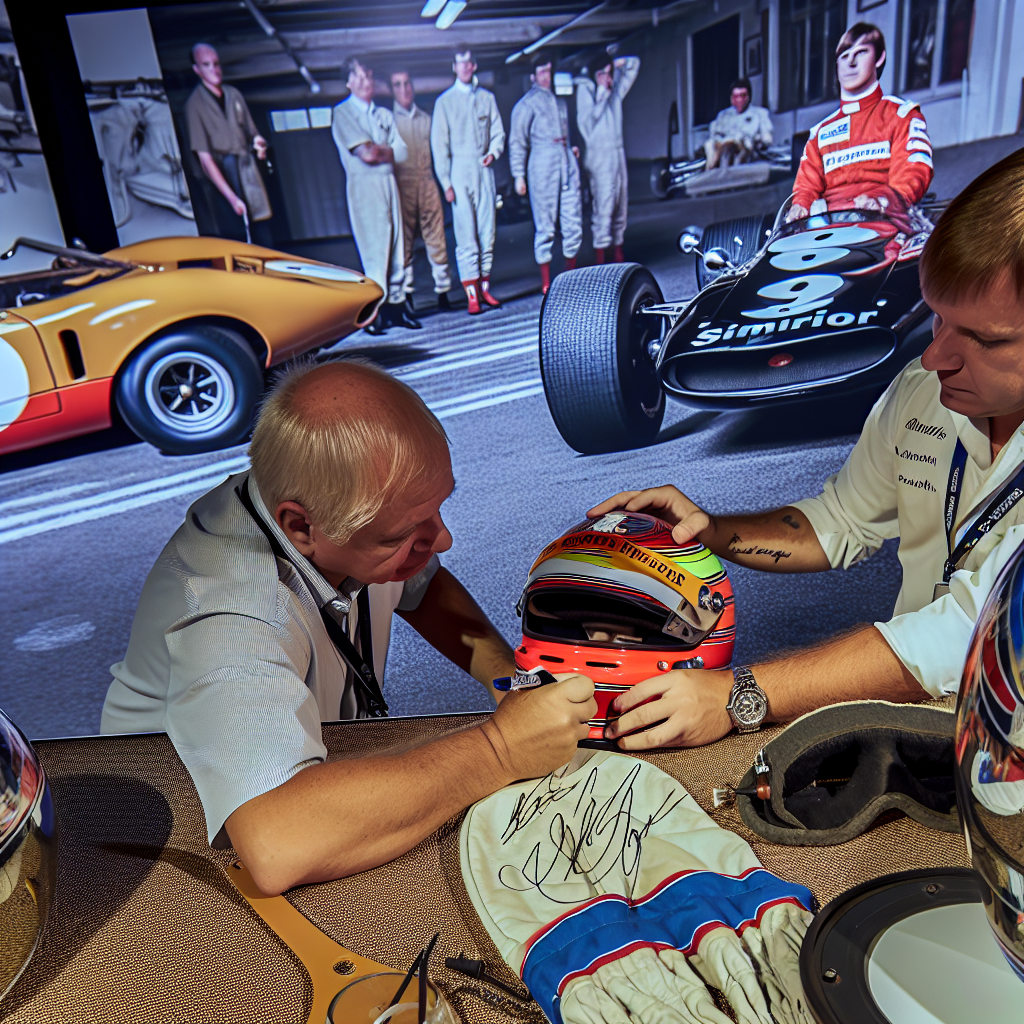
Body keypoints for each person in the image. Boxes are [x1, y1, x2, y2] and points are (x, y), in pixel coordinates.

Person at [101, 359, 597, 895]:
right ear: (300, 526)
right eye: (403, 534)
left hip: (310, 775)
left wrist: (507, 680)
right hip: (169, 848)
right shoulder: (232, 613)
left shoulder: (329, 498)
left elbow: (422, 587)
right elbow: (279, 843)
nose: (443, 540)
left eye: (438, 509)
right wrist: (501, 748)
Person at [589, 149, 1024, 752]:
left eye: (982, 339)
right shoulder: (922, 393)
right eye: (938, 318)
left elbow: (970, 632)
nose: (934, 356)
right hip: (921, 730)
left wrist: (739, 693)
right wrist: (713, 530)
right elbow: (841, 520)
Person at [789, 22, 932, 228]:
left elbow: (912, 173)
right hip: (826, 229)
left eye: (861, 53)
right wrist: (800, 205)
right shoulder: (820, 132)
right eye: (844, 56)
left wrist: (883, 201)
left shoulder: (901, 115)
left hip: (884, 222)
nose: (851, 63)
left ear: (879, 58)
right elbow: (806, 187)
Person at [332, 58, 420, 335]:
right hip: (365, 187)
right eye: (359, 77)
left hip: (389, 183)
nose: (366, 82)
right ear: (348, 82)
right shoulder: (343, 113)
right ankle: (375, 313)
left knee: (396, 246)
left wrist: (379, 150)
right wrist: (384, 150)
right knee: (375, 251)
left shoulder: (383, 114)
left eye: (369, 76)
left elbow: (402, 153)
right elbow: (367, 155)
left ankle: (398, 307)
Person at [431, 46, 505, 316]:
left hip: (483, 170)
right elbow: (439, 145)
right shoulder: (445, 102)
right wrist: (446, 183)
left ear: (473, 66)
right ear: (454, 67)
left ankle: (484, 288)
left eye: (468, 63)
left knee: (487, 232)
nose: (464, 67)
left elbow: (498, 132)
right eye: (459, 63)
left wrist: (493, 152)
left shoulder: (486, 98)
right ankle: (471, 295)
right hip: (459, 171)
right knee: (466, 235)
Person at [185, 43, 273, 245]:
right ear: (197, 69)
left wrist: (259, 143)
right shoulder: (194, 105)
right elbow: (205, 160)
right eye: (206, 65)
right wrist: (232, 197)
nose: (214, 70)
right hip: (224, 174)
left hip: (247, 169)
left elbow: (252, 133)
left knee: (262, 230)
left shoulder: (234, 95)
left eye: (216, 64)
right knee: (237, 236)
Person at [509, 56, 583, 294]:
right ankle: (546, 282)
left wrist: (571, 147)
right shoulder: (525, 105)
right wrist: (518, 175)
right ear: (533, 76)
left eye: (548, 72)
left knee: (573, 220)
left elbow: (567, 131)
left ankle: (570, 276)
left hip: (564, 160)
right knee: (545, 224)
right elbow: (517, 142)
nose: (546, 77)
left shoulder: (560, 102)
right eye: (541, 72)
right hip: (541, 161)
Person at [389, 70, 453, 312]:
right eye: (397, 85)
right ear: (392, 90)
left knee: (436, 235)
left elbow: (440, 151)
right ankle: (407, 297)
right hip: (402, 185)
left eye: (407, 83)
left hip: (426, 181)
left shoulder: (427, 119)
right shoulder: (389, 121)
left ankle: (443, 292)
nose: (404, 89)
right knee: (404, 241)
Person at [574, 56, 640, 264]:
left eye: (609, 73)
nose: (607, 78)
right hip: (599, 156)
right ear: (594, 76)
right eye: (602, 74)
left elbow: (634, 66)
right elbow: (588, 123)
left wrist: (621, 62)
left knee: (620, 204)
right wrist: (601, 95)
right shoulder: (585, 91)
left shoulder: (614, 94)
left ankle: (618, 253)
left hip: (616, 153)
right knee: (604, 206)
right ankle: (601, 259)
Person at [704, 77, 773, 170]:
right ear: (731, 98)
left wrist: (757, 140)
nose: (739, 99)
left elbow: (767, 139)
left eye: (743, 95)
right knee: (711, 145)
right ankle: (711, 170)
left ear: (749, 97)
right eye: (736, 96)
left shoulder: (760, 114)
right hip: (723, 154)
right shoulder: (724, 115)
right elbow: (715, 135)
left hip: (748, 156)